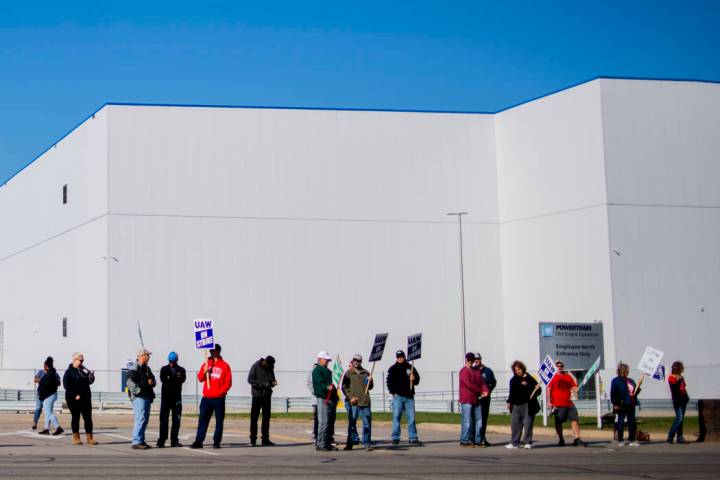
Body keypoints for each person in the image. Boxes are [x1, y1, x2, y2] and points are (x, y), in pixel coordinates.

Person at [190, 344, 233, 449]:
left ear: (218, 351)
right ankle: (199, 441)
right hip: (207, 398)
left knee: (219, 421)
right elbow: (200, 378)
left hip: (219, 398)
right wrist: (204, 372)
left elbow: (228, 382)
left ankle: (216, 441)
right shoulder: (206, 363)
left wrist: (221, 392)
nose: (212, 353)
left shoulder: (225, 365)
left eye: (214, 351)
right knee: (203, 420)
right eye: (210, 351)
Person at [386, 350, 422, 446]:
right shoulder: (393, 368)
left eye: (401, 356)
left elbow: (418, 380)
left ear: (405, 356)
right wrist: (393, 392)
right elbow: (389, 382)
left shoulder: (410, 367)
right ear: (396, 357)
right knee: (396, 417)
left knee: (411, 418)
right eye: (398, 356)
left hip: (409, 397)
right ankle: (395, 437)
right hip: (398, 397)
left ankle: (413, 437)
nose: (400, 358)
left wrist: (414, 378)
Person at [547, 360, 585, 446]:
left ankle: (577, 438)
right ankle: (561, 439)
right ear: (555, 367)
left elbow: (574, 387)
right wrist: (549, 402)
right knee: (558, 423)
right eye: (557, 366)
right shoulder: (552, 377)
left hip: (569, 403)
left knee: (574, 420)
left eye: (561, 366)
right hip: (558, 404)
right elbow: (548, 390)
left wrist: (576, 389)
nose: (559, 367)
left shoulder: (567, 377)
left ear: (563, 367)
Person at [62, 352, 98, 445]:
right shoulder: (69, 372)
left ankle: (90, 438)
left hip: (85, 397)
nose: (82, 362)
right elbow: (67, 385)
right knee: (76, 417)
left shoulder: (84, 370)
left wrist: (92, 377)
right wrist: (75, 395)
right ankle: (76, 437)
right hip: (73, 398)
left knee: (88, 418)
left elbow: (89, 381)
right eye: (80, 360)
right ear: (74, 360)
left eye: (83, 360)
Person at [341, 354, 374, 451]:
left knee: (367, 423)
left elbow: (370, 387)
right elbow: (344, 387)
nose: (356, 362)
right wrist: (350, 397)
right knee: (352, 424)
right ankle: (349, 444)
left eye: (358, 360)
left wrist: (370, 381)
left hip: (364, 402)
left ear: (361, 362)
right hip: (353, 402)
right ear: (352, 360)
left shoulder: (366, 373)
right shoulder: (348, 373)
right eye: (354, 360)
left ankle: (367, 443)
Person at [505, 360, 540, 449]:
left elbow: (538, 391)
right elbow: (511, 392)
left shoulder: (530, 378)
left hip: (528, 404)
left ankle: (527, 442)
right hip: (516, 405)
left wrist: (537, 388)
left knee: (528, 424)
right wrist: (509, 402)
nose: (517, 371)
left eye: (519, 369)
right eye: (516, 370)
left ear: (522, 368)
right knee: (515, 424)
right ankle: (514, 443)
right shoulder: (513, 380)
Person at [127, 348, 157, 450]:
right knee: (140, 418)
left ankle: (141, 440)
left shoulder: (147, 369)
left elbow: (154, 381)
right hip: (139, 397)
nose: (148, 357)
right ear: (141, 356)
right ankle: (136, 441)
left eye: (149, 355)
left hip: (147, 396)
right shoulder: (134, 368)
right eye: (147, 355)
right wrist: (138, 391)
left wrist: (152, 382)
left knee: (144, 419)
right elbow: (129, 382)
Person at [459, 353, 489, 447]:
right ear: (466, 360)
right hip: (467, 399)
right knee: (467, 421)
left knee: (479, 421)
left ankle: (478, 440)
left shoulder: (477, 371)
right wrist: (480, 391)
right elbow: (468, 384)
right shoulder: (463, 371)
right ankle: (465, 440)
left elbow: (482, 383)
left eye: (472, 360)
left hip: (476, 399)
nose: (471, 362)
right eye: (469, 360)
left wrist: (486, 391)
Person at [157, 351, 186, 448]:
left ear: (176, 360)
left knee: (176, 420)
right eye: (170, 361)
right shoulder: (164, 369)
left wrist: (171, 380)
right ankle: (162, 440)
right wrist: (173, 380)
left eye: (173, 361)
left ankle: (174, 440)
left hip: (176, 400)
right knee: (163, 420)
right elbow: (164, 380)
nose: (171, 363)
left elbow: (181, 380)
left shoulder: (181, 370)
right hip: (166, 399)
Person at [247, 355, 278, 446]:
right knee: (254, 418)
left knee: (266, 418)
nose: (270, 367)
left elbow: (272, 379)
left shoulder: (270, 367)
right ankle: (253, 439)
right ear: (265, 362)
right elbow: (250, 380)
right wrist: (263, 384)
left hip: (267, 396)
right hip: (257, 396)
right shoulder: (256, 366)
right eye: (269, 365)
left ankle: (265, 439)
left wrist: (273, 383)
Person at [312, 351, 338, 452]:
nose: (327, 361)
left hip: (331, 398)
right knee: (324, 422)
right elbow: (319, 384)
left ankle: (327, 443)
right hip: (323, 398)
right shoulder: (317, 370)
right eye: (326, 360)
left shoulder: (328, 371)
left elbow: (332, 383)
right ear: (320, 359)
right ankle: (321, 444)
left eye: (328, 360)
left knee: (330, 423)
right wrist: (327, 387)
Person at [611, 362, 641, 447]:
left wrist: (638, 387)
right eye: (627, 370)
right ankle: (620, 439)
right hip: (621, 404)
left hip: (631, 403)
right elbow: (613, 393)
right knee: (620, 422)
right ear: (622, 371)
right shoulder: (616, 381)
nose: (628, 372)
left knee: (632, 422)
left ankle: (631, 439)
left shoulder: (630, 380)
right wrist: (615, 403)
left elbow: (634, 392)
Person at [474, 353, 497, 447]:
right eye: (475, 359)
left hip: (485, 399)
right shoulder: (473, 370)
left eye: (478, 359)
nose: (476, 361)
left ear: (480, 359)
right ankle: (475, 438)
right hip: (476, 398)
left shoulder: (488, 371)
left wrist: (488, 391)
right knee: (475, 419)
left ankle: (482, 438)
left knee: (483, 419)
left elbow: (494, 382)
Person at [37, 356, 64, 436]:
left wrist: (41, 394)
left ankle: (58, 427)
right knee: (47, 412)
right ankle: (46, 429)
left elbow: (45, 386)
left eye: (44, 365)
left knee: (48, 412)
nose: (43, 367)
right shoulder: (54, 373)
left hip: (48, 395)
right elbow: (58, 383)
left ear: (46, 366)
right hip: (52, 394)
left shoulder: (50, 374)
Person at [667, 361, 689, 444]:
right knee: (679, 418)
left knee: (681, 419)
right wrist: (678, 379)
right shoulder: (671, 378)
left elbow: (683, 387)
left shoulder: (681, 377)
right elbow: (675, 389)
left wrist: (687, 398)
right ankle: (670, 436)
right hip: (677, 401)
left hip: (683, 400)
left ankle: (680, 437)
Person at [307, 364, 319, 445]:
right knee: (317, 419)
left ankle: (324, 437)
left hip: (324, 400)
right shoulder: (312, 372)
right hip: (316, 401)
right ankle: (315, 436)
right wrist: (316, 391)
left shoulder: (325, 371)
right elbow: (309, 384)